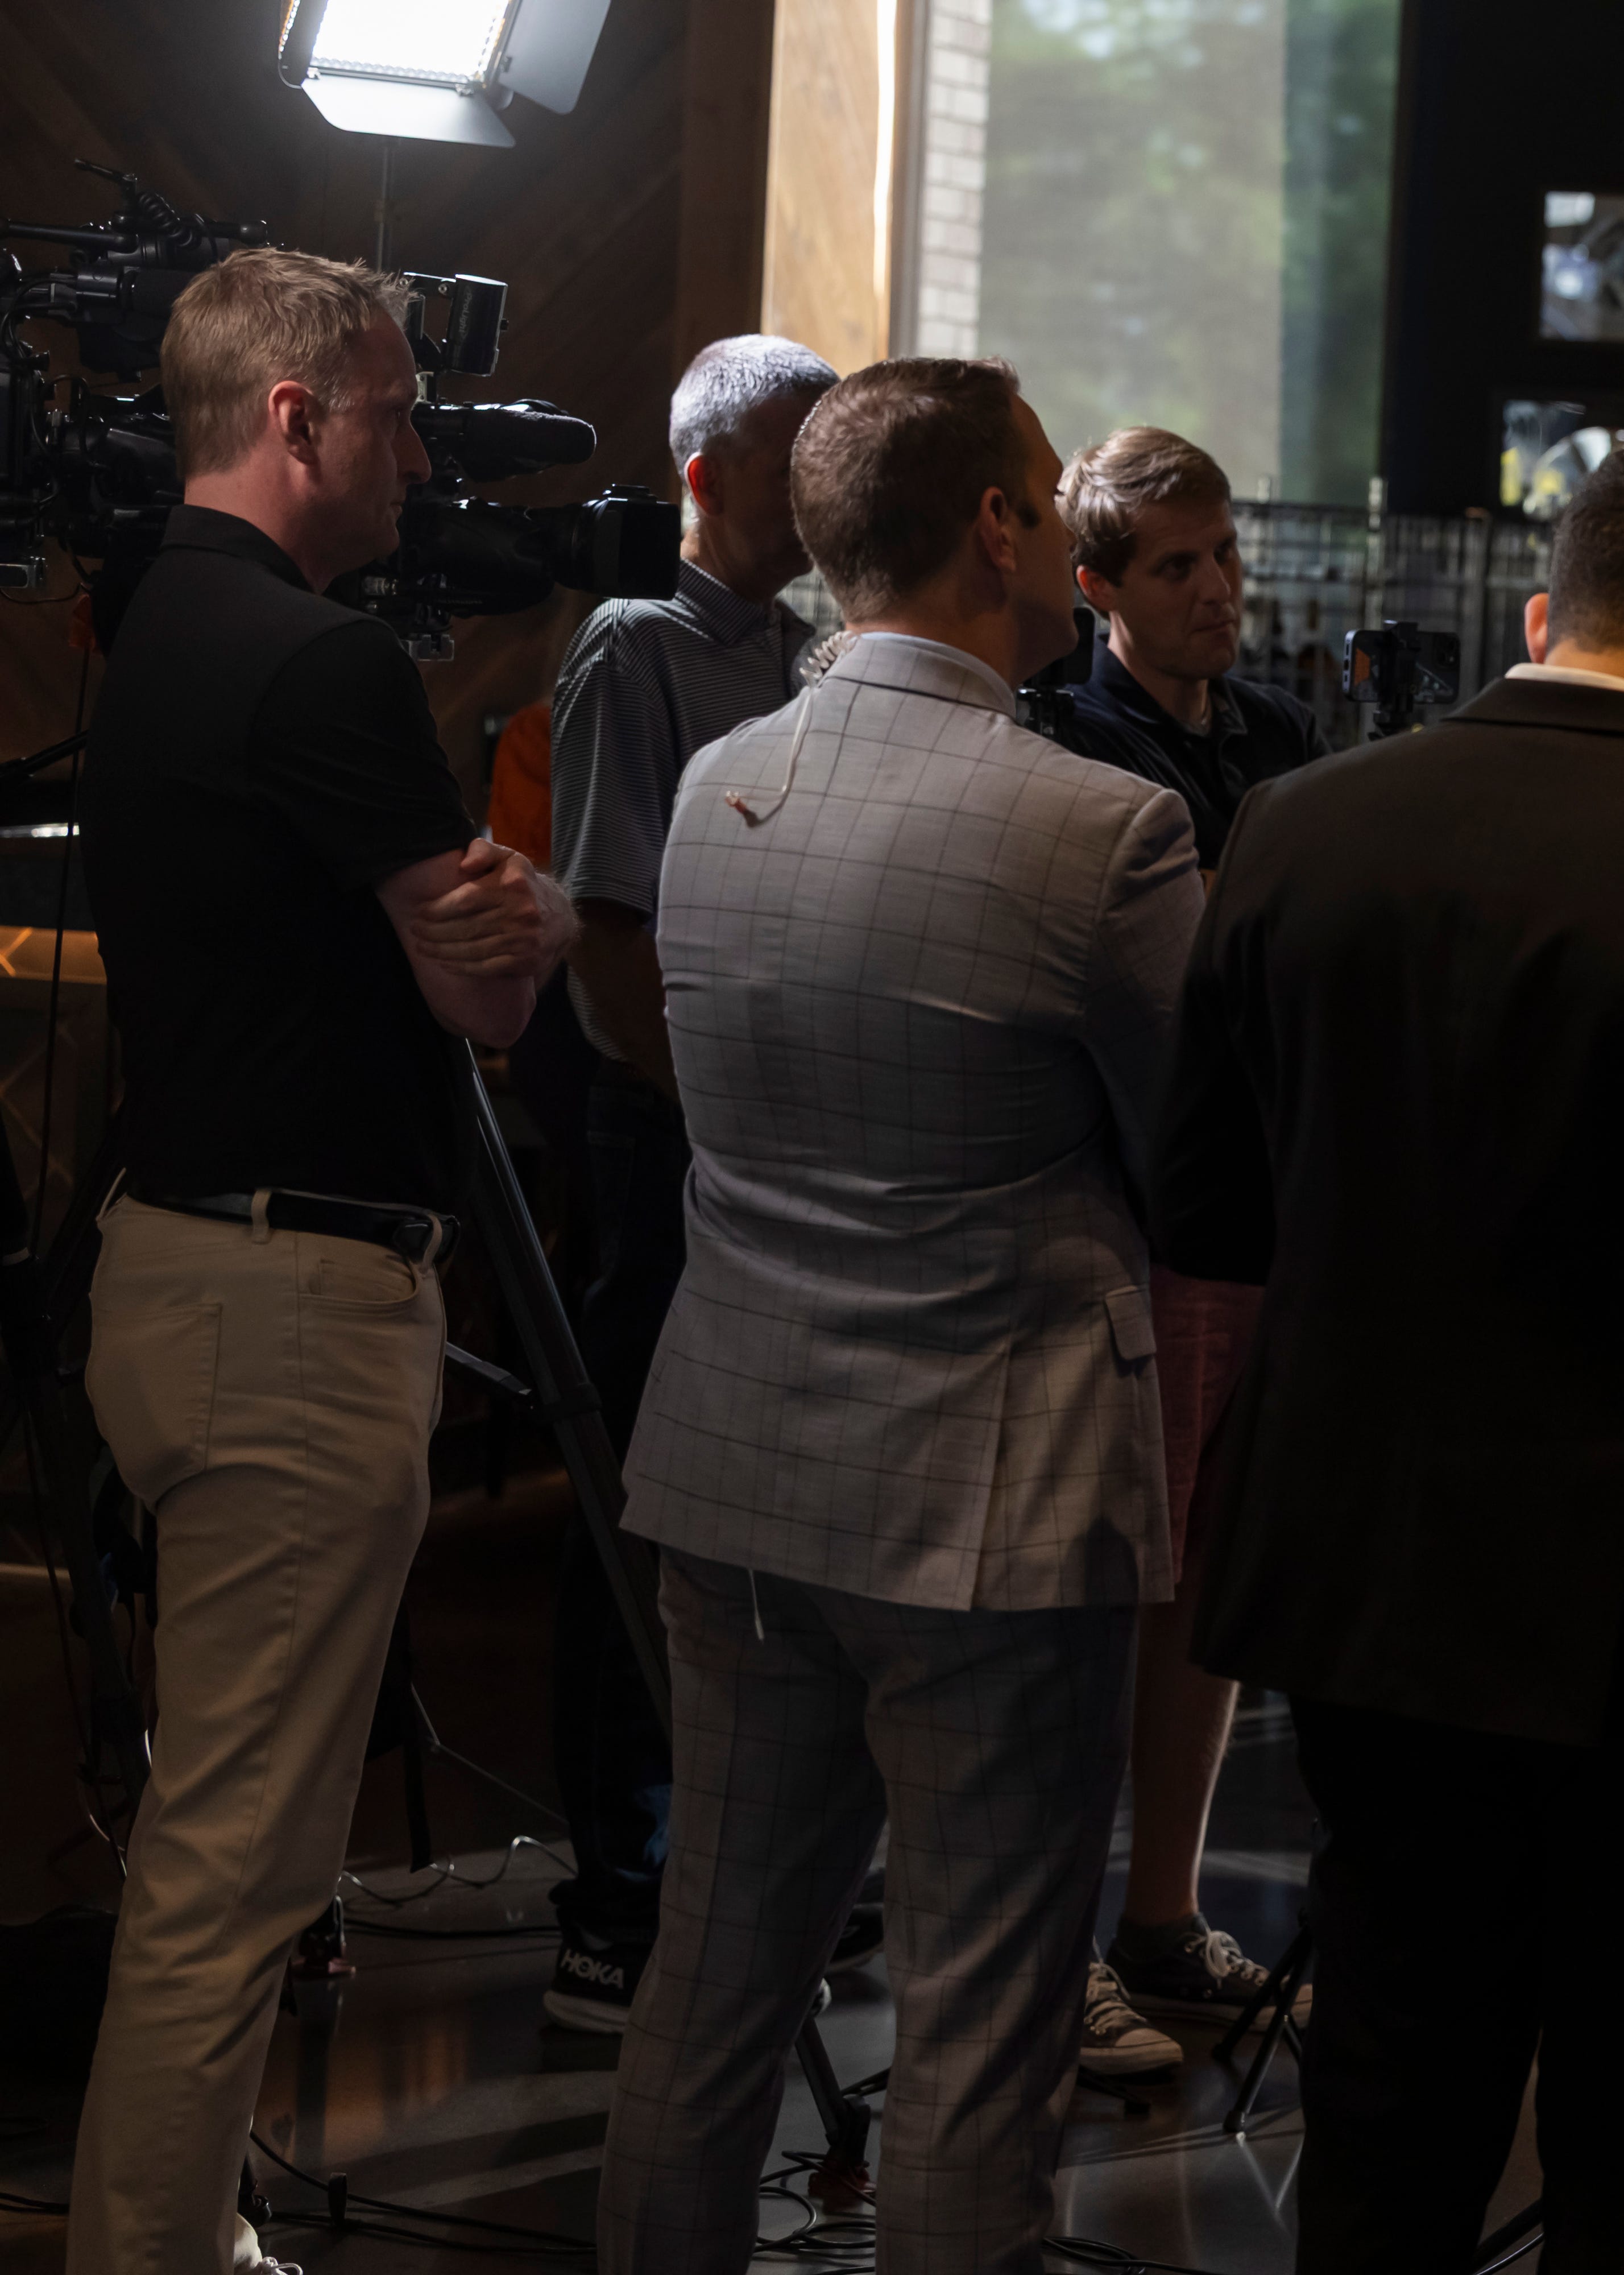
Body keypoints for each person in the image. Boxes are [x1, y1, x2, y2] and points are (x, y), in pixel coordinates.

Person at [1150, 436, 1624, 2272]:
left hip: (1367, 1572)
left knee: (1390, 2109)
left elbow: (1208, 1213)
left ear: (1539, 615)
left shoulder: (1296, 826)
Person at [592, 358, 1204, 2268]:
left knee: (705, 2009)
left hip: (742, 1474)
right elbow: (1210, 1165)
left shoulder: (714, 788)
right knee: (975, 2045)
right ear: (1002, 526)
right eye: (1044, 491)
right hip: (991, 1519)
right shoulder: (1099, 833)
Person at [67, 247, 578, 2271]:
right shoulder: (325, 667)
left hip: (175, 1267)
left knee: (222, 1835)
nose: (424, 452)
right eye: (394, 411)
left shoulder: (154, 616)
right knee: (234, 1869)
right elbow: (485, 1006)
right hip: (293, 1312)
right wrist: (520, 927)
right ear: (297, 419)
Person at [541, 333, 843, 2032]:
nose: (817, 496)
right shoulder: (633, 649)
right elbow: (606, 939)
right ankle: (616, 1891)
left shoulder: (805, 656)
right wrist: (713, 1111)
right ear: (713, 472)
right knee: (639, 1508)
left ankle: (738, 1870)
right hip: (671, 1142)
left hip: (770, 1139)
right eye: (794, 462)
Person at [1047, 422, 1324, 2075]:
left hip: (1261, 1203)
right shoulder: (1068, 737)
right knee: (1111, 1585)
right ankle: (1070, 1935)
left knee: (1212, 1579)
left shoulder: (1278, 733)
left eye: (1223, 557)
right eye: (1176, 566)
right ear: (1097, 588)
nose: (1217, 590)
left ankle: (1162, 1911)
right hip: (1135, 1209)